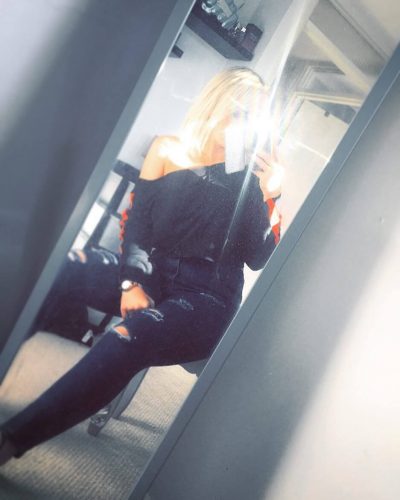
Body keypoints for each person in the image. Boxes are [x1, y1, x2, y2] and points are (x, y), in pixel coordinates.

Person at [0, 67, 282, 465]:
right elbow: (138, 225)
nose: (245, 124)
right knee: (63, 268)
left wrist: (272, 196)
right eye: (239, 112)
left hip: (207, 298)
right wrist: (131, 281)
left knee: (129, 336)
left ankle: (10, 442)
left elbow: (259, 257)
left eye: (254, 117)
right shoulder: (167, 148)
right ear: (216, 104)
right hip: (150, 272)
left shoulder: (250, 178)